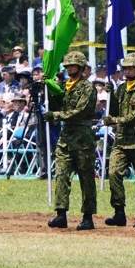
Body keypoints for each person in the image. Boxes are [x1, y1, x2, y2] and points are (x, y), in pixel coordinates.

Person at [43, 50, 98, 230]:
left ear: (81, 68)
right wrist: (50, 91)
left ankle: (88, 216)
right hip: (66, 138)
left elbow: (79, 111)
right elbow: (55, 106)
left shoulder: (87, 88)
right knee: (61, 176)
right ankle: (61, 214)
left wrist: (55, 115)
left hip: (82, 138)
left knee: (86, 179)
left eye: (73, 66)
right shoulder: (64, 86)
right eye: (67, 66)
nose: (69, 69)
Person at [103, 53, 135, 227]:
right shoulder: (121, 88)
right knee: (113, 173)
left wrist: (115, 121)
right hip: (121, 139)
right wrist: (109, 95)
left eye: (130, 68)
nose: (127, 70)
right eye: (125, 68)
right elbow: (115, 111)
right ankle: (119, 212)